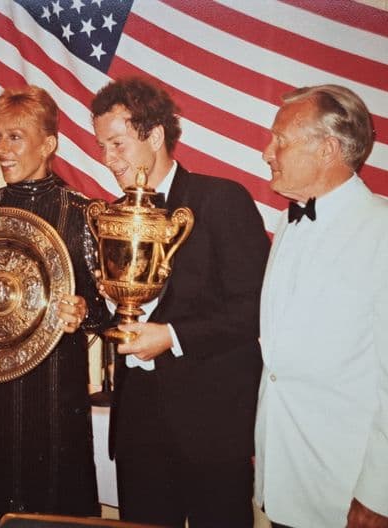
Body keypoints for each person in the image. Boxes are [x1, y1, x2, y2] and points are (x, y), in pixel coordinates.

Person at [254, 84, 388, 528]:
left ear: (327, 149)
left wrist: (382, 498)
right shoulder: (290, 221)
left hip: (348, 492)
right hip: (286, 477)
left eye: (280, 140)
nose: (268, 152)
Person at [91, 77, 270, 527]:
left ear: (154, 136)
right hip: (137, 431)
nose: (107, 159)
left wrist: (170, 336)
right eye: (102, 146)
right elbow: (117, 313)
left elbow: (253, 308)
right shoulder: (114, 215)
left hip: (210, 430)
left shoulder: (221, 199)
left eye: (117, 144)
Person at [0, 85, 108, 528]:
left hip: (53, 392)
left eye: (15, 137)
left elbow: (107, 309)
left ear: (48, 144)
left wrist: (82, 311)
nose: (1, 148)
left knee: (51, 508)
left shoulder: (85, 213)